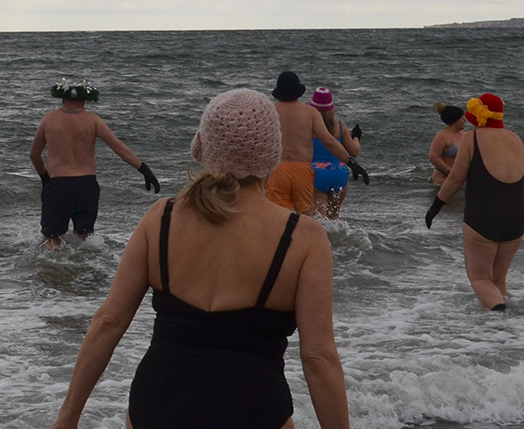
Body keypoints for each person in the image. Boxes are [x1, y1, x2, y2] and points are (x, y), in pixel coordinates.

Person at [45, 89, 349, 429]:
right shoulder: (304, 237)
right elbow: (318, 359)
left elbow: (109, 322)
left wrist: (67, 420)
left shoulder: (162, 217)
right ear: (272, 155)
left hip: (156, 406)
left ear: (204, 148)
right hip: (254, 409)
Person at [424, 94, 524, 311]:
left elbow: (455, 179)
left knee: (480, 279)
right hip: (517, 219)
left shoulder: (471, 139)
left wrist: (436, 206)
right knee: (498, 280)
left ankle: (500, 326)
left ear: (478, 117)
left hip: (483, 217)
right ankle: (518, 332)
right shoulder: (518, 140)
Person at [28, 79, 160, 250]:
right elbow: (118, 146)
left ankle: (53, 272)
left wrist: (45, 179)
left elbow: (34, 154)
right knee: (85, 237)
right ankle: (89, 271)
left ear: (62, 99)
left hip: (59, 184)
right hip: (87, 185)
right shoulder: (93, 120)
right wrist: (144, 169)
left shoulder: (49, 119)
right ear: (84, 101)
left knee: (51, 238)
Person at [265, 71, 365, 214]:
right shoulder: (310, 113)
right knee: (310, 221)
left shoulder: (270, 112)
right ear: (299, 92)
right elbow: (329, 141)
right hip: (303, 171)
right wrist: (351, 163)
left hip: (279, 171)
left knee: (278, 217)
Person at [308, 87, 362, 221]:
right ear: (332, 108)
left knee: (318, 220)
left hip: (316, 175)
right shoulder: (340, 126)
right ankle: (338, 242)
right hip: (339, 175)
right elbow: (354, 152)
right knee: (333, 218)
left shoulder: (308, 126)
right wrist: (356, 137)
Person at [428, 102, 468, 184]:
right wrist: (451, 173)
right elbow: (433, 157)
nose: (465, 120)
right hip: (443, 178)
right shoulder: (442, 136)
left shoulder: (464, 134)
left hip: (459, 178)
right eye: (462, 118)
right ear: (454, 120)